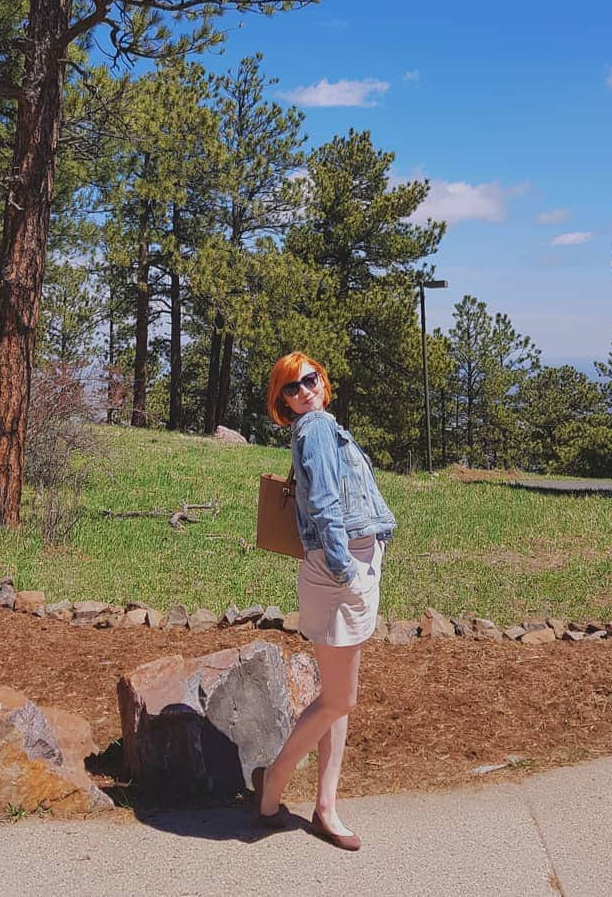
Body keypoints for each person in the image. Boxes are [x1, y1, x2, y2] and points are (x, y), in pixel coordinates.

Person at [252, 352, 396, 851]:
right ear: (283, 403)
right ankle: (273, 782)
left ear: (322, 380)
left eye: (309, 379)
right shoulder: (314, 429)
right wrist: (348, 570)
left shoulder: (322, 424)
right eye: (291, 388)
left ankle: (325, 807)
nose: (304, 390)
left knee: (338, 697)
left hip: (346, 565)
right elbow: (325, 507)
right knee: (341, 698)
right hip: (339, 571)